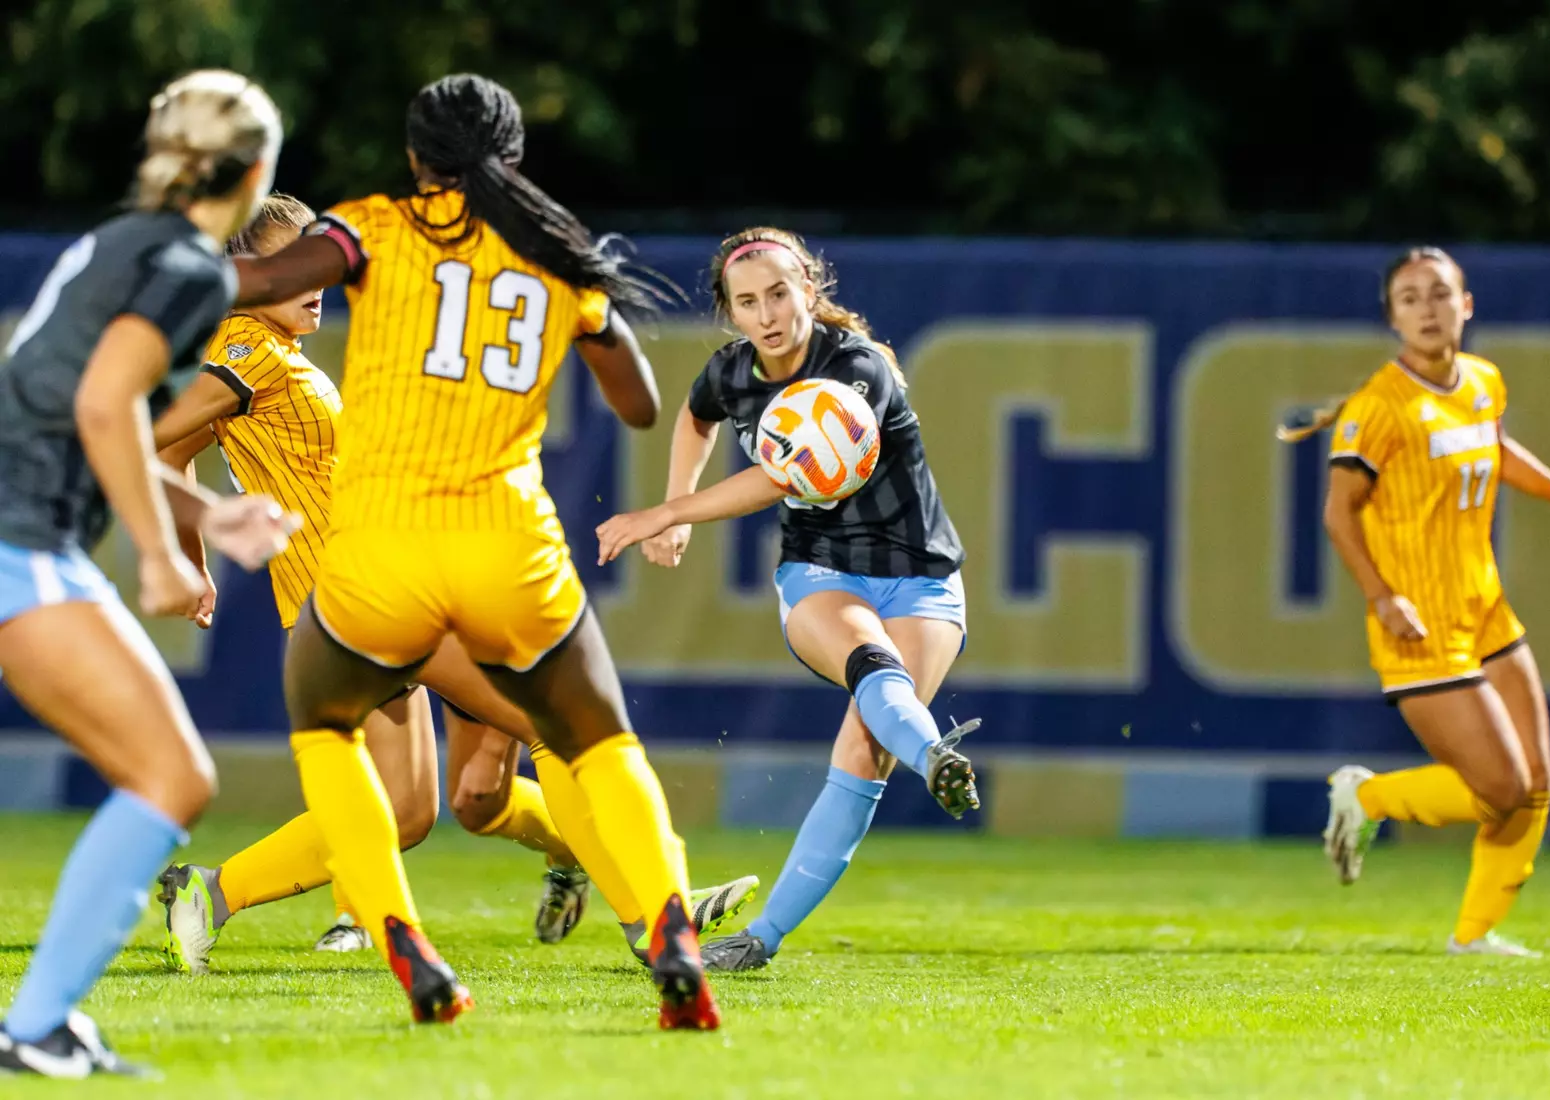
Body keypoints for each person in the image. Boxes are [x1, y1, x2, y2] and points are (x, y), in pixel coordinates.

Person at [223, 73, 718, 1027]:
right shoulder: (556, 254)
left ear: (416, 158)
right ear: (514, 158)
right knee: (597, 738)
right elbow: (641, 404)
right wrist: (581, 299)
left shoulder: (368, 227)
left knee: (326, 726)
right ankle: (669, 930)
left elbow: (263, 281)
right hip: (508, 541)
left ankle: (400, 936)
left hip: (386, 546)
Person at [151, 195, 755, 969]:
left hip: (355, 594)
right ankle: (654, 914)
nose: (310, 281)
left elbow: (170, 454)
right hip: (366, 589)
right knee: (551, 724)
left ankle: (214, 891)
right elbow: (154, 437)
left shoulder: (269, 353)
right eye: (286, 266)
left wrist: (191, 559)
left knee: (407, 813)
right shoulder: (251, 352)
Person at [0, 70, 300, 1078]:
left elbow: (96, 409)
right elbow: (103, 404)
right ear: (257, 171)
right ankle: (35, 1023)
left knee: (168, 774)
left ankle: (41, 1021)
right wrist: (167, 554)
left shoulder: (124, 239)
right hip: (19, 537)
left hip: (29, 531)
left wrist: (206, 510)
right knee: (171, 775)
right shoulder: (187, 266)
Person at [594, 227, 979, 972]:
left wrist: (666, 514)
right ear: (730, 313)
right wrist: (677, 492)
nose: (768, 313)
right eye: (748, 302)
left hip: (924, 578)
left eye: (779, 293)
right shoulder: (733, 372)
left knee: (864, 749)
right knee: (874, 671)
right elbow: (697, 414)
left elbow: (786, 474)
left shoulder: (858, 367)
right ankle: (934, 753)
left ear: (810, 289)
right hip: (822, 573)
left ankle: (759, 939)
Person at [1287, 247, 1550, 955]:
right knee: (1503, 788)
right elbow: (1338, 511)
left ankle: (1474, 937)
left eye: (1439, 293)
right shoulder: (1379, 406)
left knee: (1536, 782)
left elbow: (1495, 447)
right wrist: (1382, 597)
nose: (1427, 308)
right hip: (1418, 623)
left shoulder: (1482, 380)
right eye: (1410, 298)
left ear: (1466, 306)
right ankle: (1370, 799)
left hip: (1484, 608)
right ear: (1392, 318)